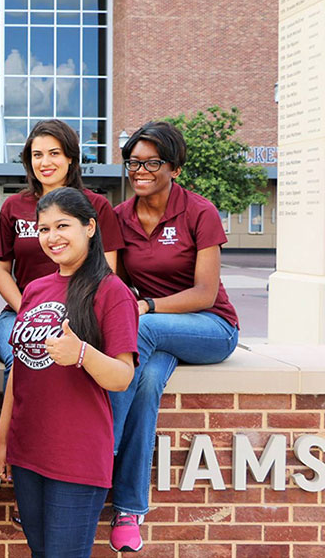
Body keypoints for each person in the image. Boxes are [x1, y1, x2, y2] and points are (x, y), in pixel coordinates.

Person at [108, 121, 239, 552]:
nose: (140, 171)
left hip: (210, 327)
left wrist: (148, 306)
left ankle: (100, 453)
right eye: (133, 163)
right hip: (156, 337)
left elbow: (205, 293)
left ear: (175, 168)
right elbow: (119, 287)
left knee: (141, 328)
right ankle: (129, 511)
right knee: (145, 384)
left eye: (152, 163)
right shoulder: (120, 218)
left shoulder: (199, 212)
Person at [0, 187, 137, 557]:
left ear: (89, 227)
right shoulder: (34, 289)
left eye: (62, 226)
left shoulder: (111, 291)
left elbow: (123, 377)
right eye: (43, 229)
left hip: (76, 454)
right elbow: (20, 369)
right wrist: (4, 439)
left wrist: (81, 353)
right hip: (28, 450)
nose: (52, 237)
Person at [0, 119, 124, 386]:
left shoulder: (95, 205)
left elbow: (107, 270)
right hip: (20, 311)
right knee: (21, 359)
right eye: (37, 155)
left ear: (70, 158)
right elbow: (1, 270)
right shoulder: (13, 206)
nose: (45, 162)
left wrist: (71, 313)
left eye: (54, 153)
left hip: (81, 311)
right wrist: (27, 310)